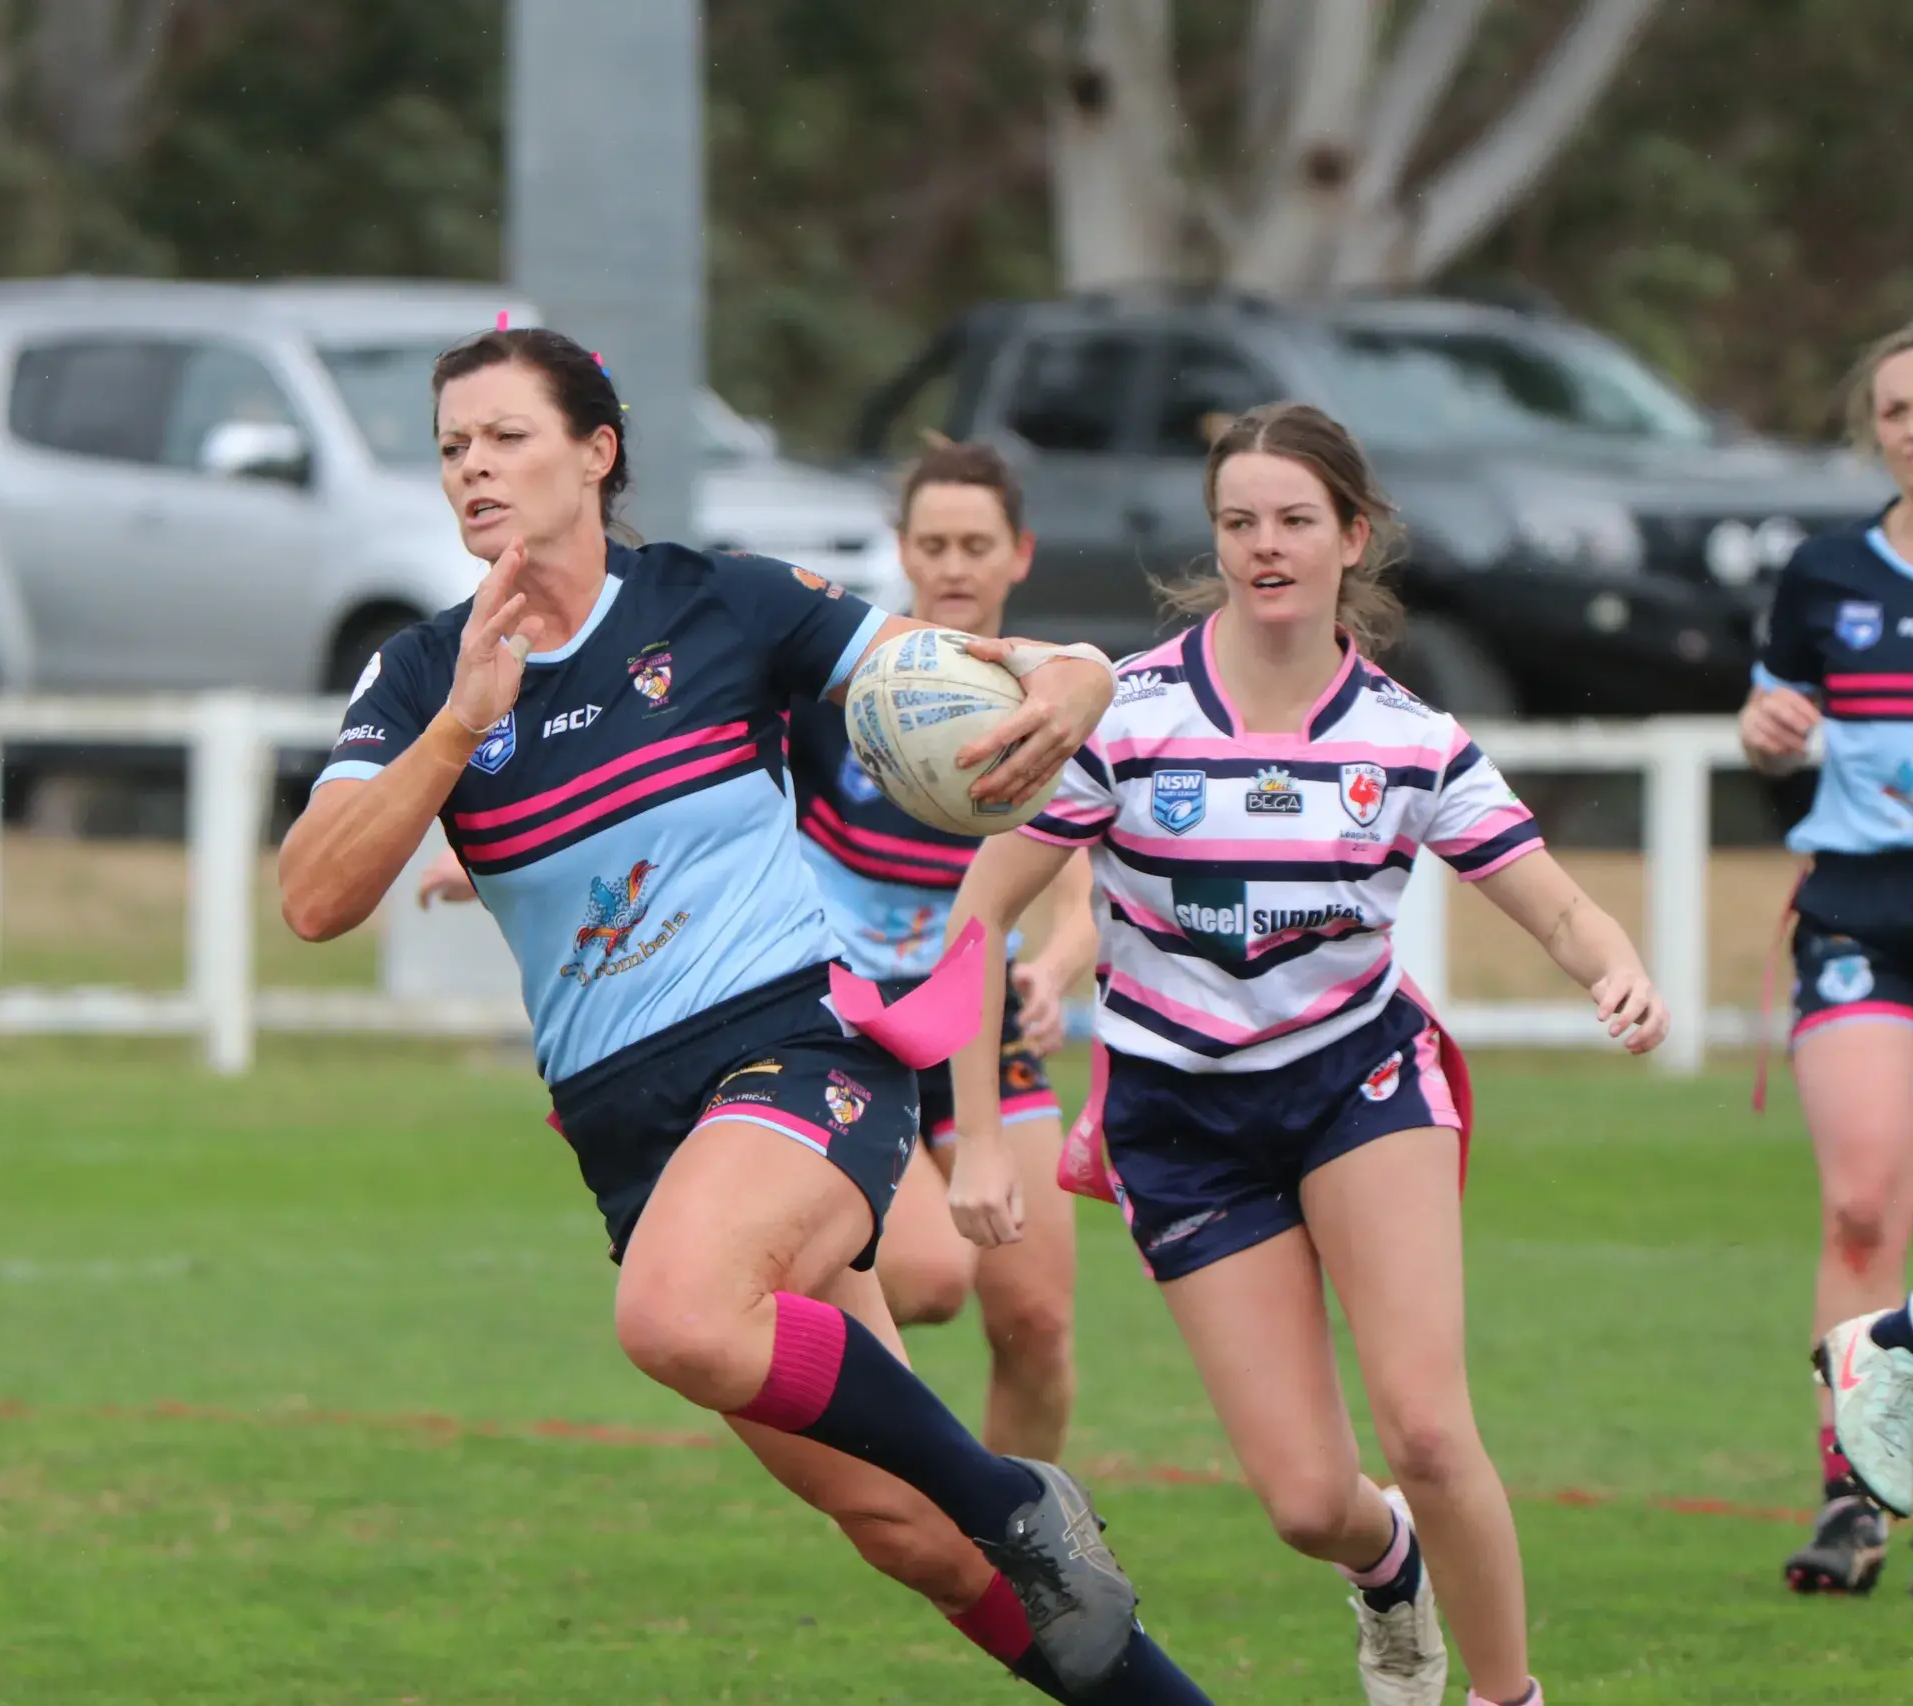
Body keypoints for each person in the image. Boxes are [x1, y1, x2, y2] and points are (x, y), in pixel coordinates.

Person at [280, 324, 1220, 1704]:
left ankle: (1018, 1494)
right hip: (627, 1129)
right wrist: (449, 735)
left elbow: (953, 664)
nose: (472, 469)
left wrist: (1077, 668)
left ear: (596, 454)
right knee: (908, 1533)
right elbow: (312, 899)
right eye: (450, 450)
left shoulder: (721, 602)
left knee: (675, 1317)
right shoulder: (421, 675)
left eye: (505, 438)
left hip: (793, 1053)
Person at [944, 403, 1666, 1706]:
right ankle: (1390, 1569)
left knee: (1431, 1432)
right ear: (1214, 541)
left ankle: (1506, 1696)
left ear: (1353, 534)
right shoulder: (1130, 716)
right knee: (1304, 1499)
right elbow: (975, 914)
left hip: (1361, 1089)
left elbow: (1555, 902)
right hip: (1180, 1125)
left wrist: (1612, 963)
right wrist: (981, 1135)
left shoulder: (1407, 740)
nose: (1265, 545)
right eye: (1239, 522)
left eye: (1293, 520)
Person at [787, 439, 1092, 1461]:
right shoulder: (839, 697)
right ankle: (747, 1304)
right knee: (926, 1278)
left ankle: (1039, 1558)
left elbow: (1078, 900)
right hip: (848, 1025)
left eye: (976, 543)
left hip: (981, 1029)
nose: (954, 564)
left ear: (1020, 555)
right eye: (933, 543)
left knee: (1039, 1325)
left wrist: (1051, 969)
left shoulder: (1053, 709)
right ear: (902, 552)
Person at [1744, 321, 1913, 1582]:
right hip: (1858, 910)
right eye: (1899, 408)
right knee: (1860, 1203)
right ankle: (1851, 1493)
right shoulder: (1823, 574)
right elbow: (1773, 723)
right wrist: (1768, 724)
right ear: (1875, 428)